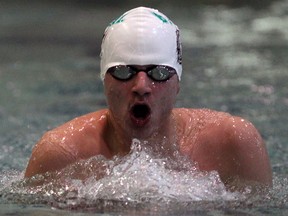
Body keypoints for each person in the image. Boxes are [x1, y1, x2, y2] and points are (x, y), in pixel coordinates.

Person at [24, 7, 272, 191]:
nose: (141, 86)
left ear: (178, 82)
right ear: (104, 79)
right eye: (124, 71)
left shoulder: (234, 145)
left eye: (159, 73)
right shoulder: (61, 155)